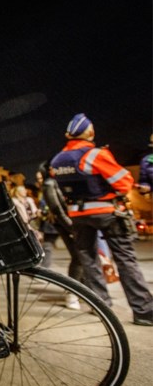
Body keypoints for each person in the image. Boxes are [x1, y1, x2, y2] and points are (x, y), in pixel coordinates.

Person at [50, 113, 153, 326]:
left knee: (88, 259)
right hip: (106, 212)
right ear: (90, 132)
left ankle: (101, 306)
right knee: (125, 259)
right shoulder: (95, 154)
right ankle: (143, 310)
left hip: (78, 215)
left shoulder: (57, 160)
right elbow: (123, 183)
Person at [36, 161, 83, 309]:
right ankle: (72, 293)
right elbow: (57, 209)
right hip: (67, 224)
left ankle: (82, 291)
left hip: (77, 221)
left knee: (84, 257)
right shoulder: (50, 183)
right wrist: (70, 225)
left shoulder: (58, 181)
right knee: (79, 256)